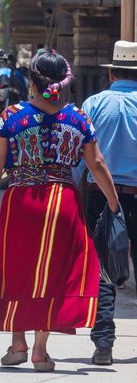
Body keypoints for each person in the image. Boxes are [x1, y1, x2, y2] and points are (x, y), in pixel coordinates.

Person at [0, 49, 119, 373]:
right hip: (62, 203)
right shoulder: (77, 118)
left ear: (32, 81)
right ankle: (40, 351)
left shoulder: (10, 117)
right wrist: (113, 202)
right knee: (52, 274)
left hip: (21, 202)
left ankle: (18, 342)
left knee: (17, 269)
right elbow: (96, 163)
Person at [73, 40, 137, 365]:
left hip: (102, 196)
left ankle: (103, 346)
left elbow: (80, 160)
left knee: (103, 270)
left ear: (111, 72)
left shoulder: (94, 103)